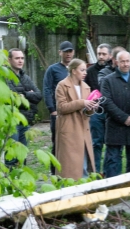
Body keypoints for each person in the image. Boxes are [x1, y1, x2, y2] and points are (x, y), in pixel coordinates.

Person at [100, 51, 130, 178]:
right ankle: (112, 188)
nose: (125, 64)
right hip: (115, 125)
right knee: (113, 158)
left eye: (127, 61)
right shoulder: (108, 81)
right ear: (116, 62)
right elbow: (107, 102)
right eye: (122, 61)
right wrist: (123, 118)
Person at [54, 59, 98, 180]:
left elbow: (87, 112)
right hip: (69, 130)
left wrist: (92, 107)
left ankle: (82, 192)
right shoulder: (62, 85)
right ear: (73, 71)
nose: (85, 73)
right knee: (68, 167)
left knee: (83, 164)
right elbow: (62, 107)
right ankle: (67, 191)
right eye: (82, 70)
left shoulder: (86, 87)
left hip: (83, 130)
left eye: (86, 70)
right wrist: (83, 102)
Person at [5, 48, 42, 166]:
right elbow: (12, 100)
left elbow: (38, 96)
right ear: (9, 59)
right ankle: (10, 182)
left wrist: (25, 94)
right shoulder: (5, 76)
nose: (20, 61)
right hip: (12, 121)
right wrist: (29, 96)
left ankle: (21, 183)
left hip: (25, 121)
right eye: (17, 58)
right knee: (11, 155)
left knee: (22, 155)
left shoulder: (25, 77)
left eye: (22, 58)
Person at [43, 41, 74, 175]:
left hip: (74, 113)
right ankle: (55, 172)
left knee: (73, 142)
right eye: (65, 51)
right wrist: (52, 110)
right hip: (59, 113)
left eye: (70, 51)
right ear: (60, 52)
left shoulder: (76, 68)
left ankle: (71, 170)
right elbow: (47, 89)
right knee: (58, 144)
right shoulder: (53, 69)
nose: (68, 54)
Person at [85, 43, 112, 173]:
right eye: (99, 54)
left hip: (111, 112)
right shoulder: (89, 71)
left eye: (104, 54)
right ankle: (94, 172)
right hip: (96, 112)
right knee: (96, 143)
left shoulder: (113, 70)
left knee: (111, 144)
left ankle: (107, 172)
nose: (101, 57)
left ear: (110, 55)